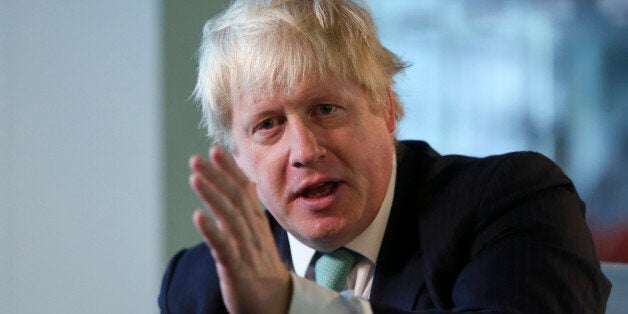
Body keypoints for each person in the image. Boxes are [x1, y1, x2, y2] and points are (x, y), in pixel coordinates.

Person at [158, 0, 611, 313]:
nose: (305, 151)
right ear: (238, 157)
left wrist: (291, 307)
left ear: (387, 109)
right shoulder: (200, 283)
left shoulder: (514, 201)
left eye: (326, 109)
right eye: (268, 125)